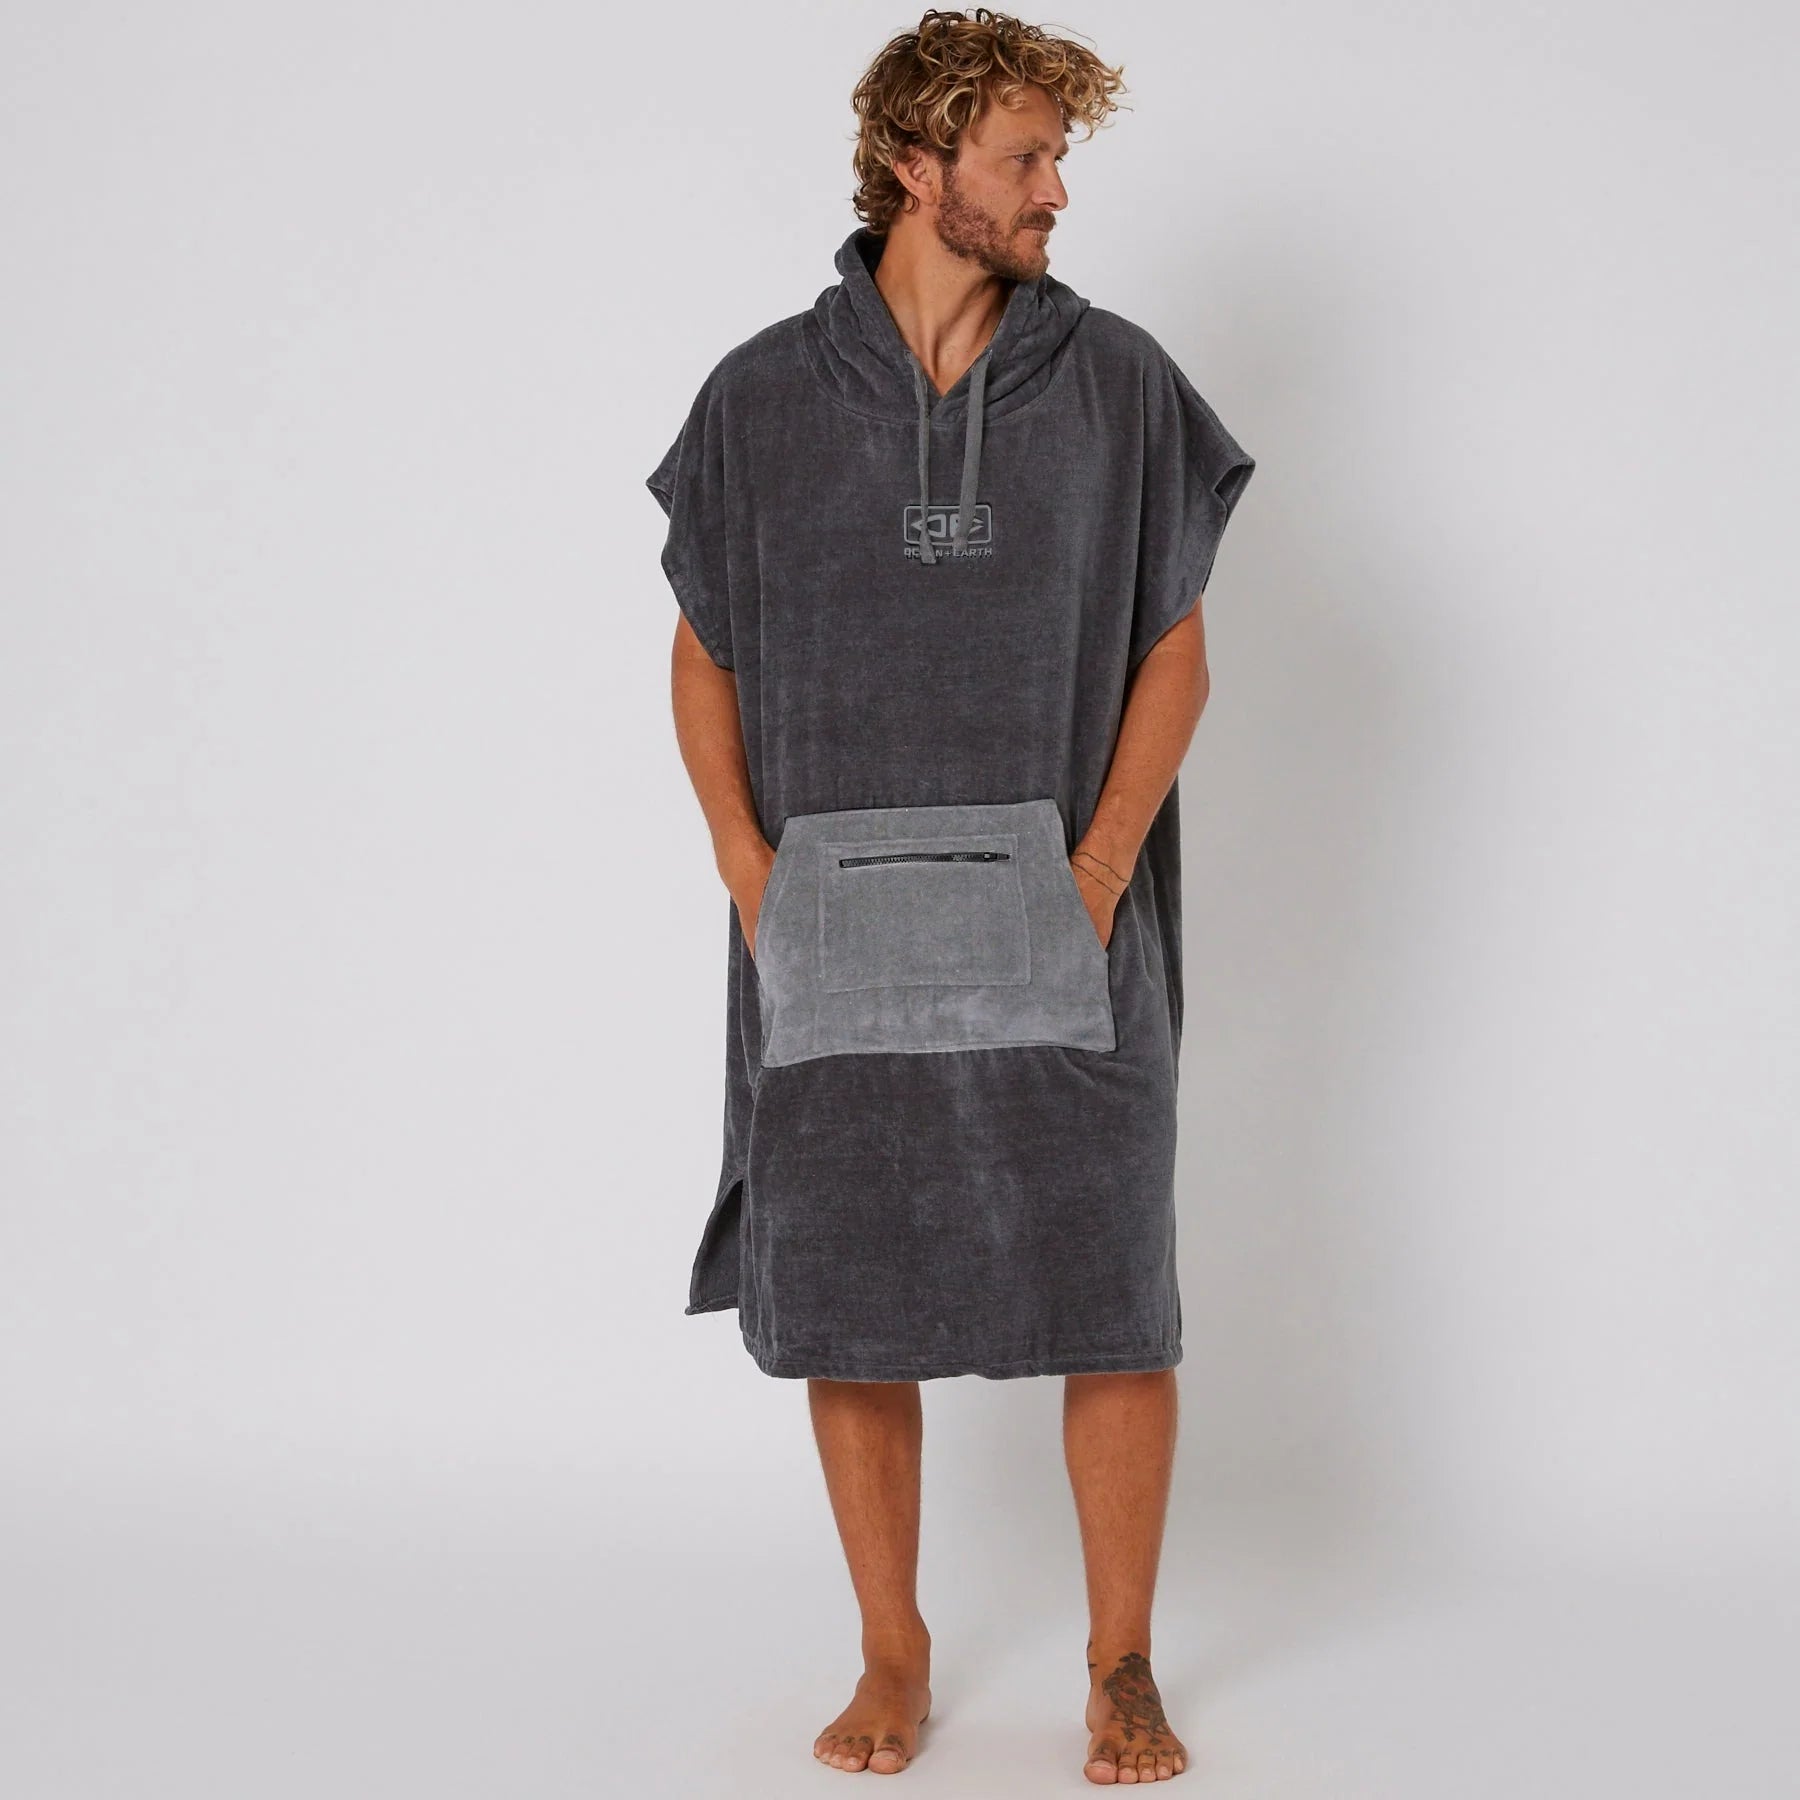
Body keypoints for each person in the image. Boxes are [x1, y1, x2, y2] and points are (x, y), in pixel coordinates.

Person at [644, 8, 1255, 1783]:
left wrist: (1101, 866)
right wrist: (748, 869)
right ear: (920, 170)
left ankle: (1121, 1664)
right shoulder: (762, 396)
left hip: (1066, 917)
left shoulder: (1118, 381)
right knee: (852, 1287)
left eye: (1060, 157)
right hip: (831, 920)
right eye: (1026, 158)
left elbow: (1176, 650)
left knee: (1111, 1287)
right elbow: (701, 652)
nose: (1058, 191)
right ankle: (892, 1652)